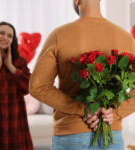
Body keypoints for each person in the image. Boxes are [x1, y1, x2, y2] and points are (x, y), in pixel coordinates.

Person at [29, 0, 135, 149]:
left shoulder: (59, 35)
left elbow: (38, 87)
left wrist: (82, 109)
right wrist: (114, 113)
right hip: (111, 133)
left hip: (71, 134)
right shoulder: (125, 37)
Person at [0, 21, 33, 150]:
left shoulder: (19, 62)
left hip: (15, 121)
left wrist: (11, 68)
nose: (5, 37)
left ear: (12, 41)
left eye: (9, 36)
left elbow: (29, 88)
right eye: (1, 33)